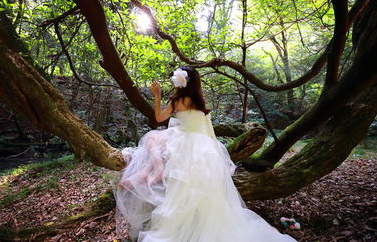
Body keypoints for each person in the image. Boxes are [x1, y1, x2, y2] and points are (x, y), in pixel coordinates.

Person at [114, 66, 297, 242]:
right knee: (199, 187)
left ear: (182, 83)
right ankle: (195, 218)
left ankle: (150, 174)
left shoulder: (177, 101)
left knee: (155, 144)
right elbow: (207, 128)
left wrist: (157, 96)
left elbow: (159, 119)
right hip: (204, 146)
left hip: (184, 142)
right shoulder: (200, 102)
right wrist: (216, 150)